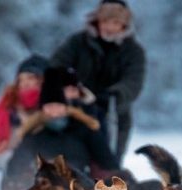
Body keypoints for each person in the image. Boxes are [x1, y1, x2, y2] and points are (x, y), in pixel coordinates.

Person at [51, 0, 146, 163]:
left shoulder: (134, 51)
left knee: (108, 166)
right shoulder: (77, 42)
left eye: (115, 22)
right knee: (70, 160)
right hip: (76, 110)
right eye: (105, 21)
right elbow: (57, 65)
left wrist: (113, 95)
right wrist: (69, 86)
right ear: (97, 21)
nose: (109, 27)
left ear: (124, 25)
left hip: (114, 114)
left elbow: (133, 81)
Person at [4, 66, 121, 184]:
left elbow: (108, 162)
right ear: (42, 110)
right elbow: (15, 167)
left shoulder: (83, 129)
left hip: (80, 187)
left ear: (65, 107)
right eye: (49, 107)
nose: (54, 112)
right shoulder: (34, 134)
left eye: (58, 106)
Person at [0, 53, 50, 169]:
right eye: (21, 79)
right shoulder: (9, 104)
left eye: (31, 78)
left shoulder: (55, 104)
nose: (25, 83)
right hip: (16, 165)